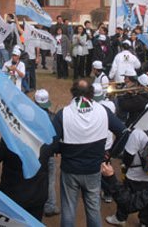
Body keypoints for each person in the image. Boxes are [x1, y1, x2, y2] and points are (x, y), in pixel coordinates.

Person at [52, 79, 120, 227]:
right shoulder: (103, 110)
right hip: (93, 170)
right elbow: (123, 133)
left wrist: (62, 149)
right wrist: (110, 154)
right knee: (93, 210)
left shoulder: (63, 114)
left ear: (73, 92)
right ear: (91, 92)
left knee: (68, 210)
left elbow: (52, 143)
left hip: (70, 169)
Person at [105, 120, 148, 226]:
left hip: (135, 174)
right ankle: (144, 222)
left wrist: (125, 166)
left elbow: (128, 155)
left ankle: (120, 218)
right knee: (147, 200)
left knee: (126, 196)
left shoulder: (138, 132)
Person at [34, 89, 61, 217]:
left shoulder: (29, 116)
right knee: (50, 180)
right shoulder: (53, 118)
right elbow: (57, 138)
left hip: (33, 153)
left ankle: (35, 203)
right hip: (48, 154)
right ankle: (50, 205)